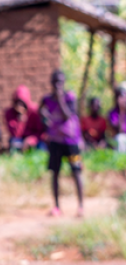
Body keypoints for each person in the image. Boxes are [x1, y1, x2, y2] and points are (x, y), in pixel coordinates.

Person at [40, 69, 84, 217]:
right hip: (55, 143)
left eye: (60, 82)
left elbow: (67, 116)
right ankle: (57, 207)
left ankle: (81, 207)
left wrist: (60, 99)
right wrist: (46, 120)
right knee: (55, 173)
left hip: (71, 143)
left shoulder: (70, 97)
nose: (58, 85)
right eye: (55, 82)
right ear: (51, 83)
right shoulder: (46, 100)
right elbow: (41, 114)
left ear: (64, 83)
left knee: (76, 171)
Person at [4, 85, 45, 152]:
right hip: (20, 140)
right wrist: (20, 121)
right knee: (14, 143)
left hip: (34, 139)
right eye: (18, 103)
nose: (20, 106)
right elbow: (14, 134)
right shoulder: (10, 113)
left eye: (22, 103)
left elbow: (40, 132)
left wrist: (31, 140)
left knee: (42, 147)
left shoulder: (35, 111)